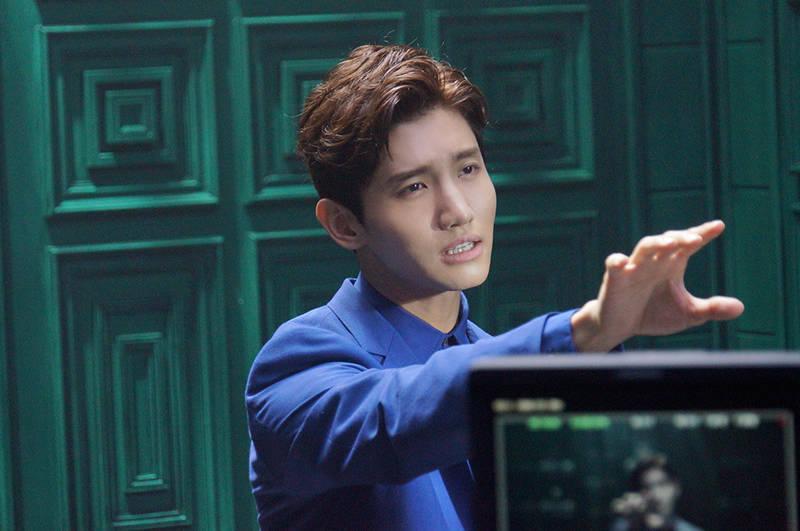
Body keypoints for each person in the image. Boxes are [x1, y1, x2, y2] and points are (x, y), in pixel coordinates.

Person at [245, 44, 744, 531]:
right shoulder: (297, 364)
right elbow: (392, 418)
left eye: (468, 169)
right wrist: (585, 333)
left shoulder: (509, 360)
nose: (458, 211)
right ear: (344, 224)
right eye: (414, 187)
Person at [610, 455, 705, 531]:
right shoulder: (626, 526)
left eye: (662, 484)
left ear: (676, 487)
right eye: (646, 487)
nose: (656, 495)